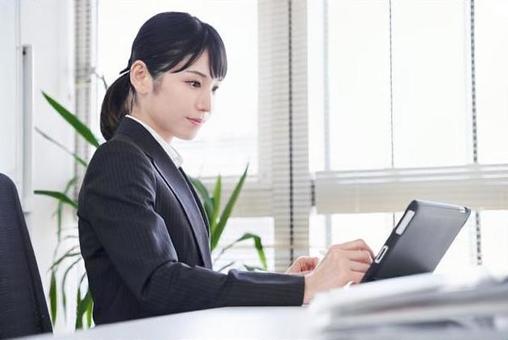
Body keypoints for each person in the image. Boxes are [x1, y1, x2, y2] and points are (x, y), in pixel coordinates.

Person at [78, 12, 374, 325]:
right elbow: (160, 283)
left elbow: (192, 282)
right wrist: (304, 287)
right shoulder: (120, 159)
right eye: (194, 83)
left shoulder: (160, 163)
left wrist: (284, 284)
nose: (207, 104)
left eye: (214, 88)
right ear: (141, 76)